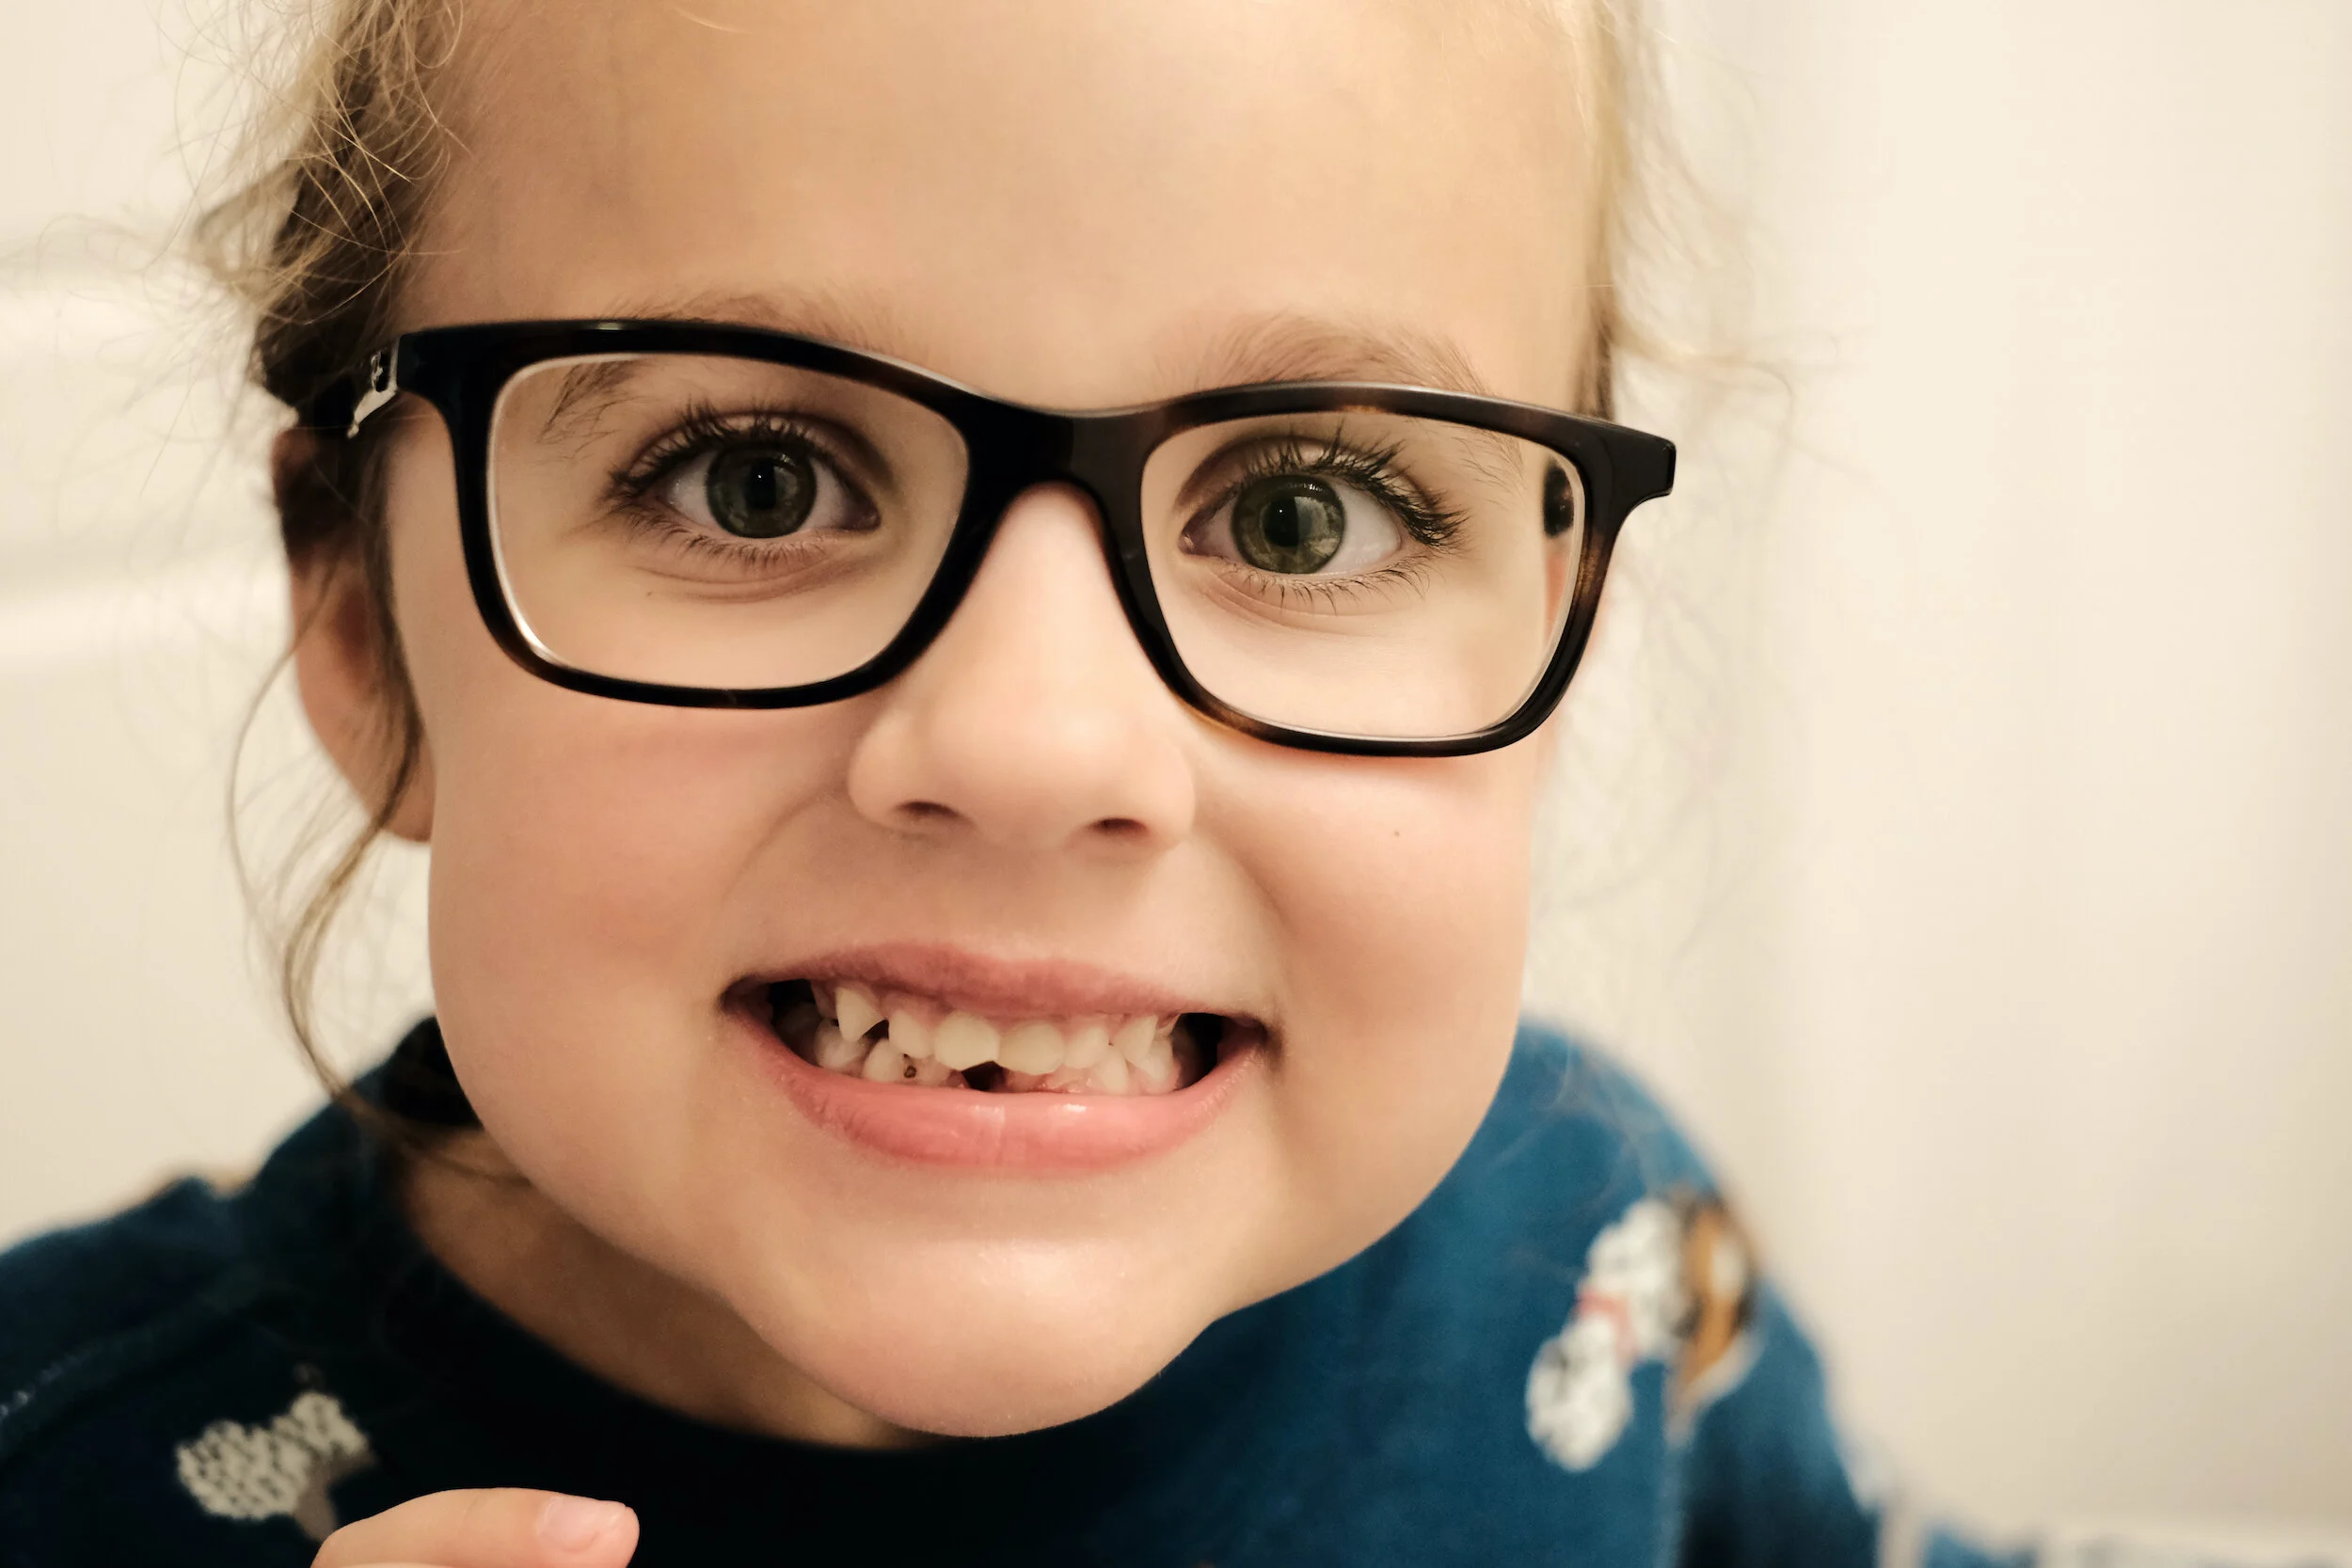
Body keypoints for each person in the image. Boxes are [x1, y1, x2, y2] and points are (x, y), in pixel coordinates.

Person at [0, 1, 2022, 1563]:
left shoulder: (1593, 1255)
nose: (1037, 746)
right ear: (357, 610)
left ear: (1553, 643)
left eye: (1303, 513)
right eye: (754, 480)